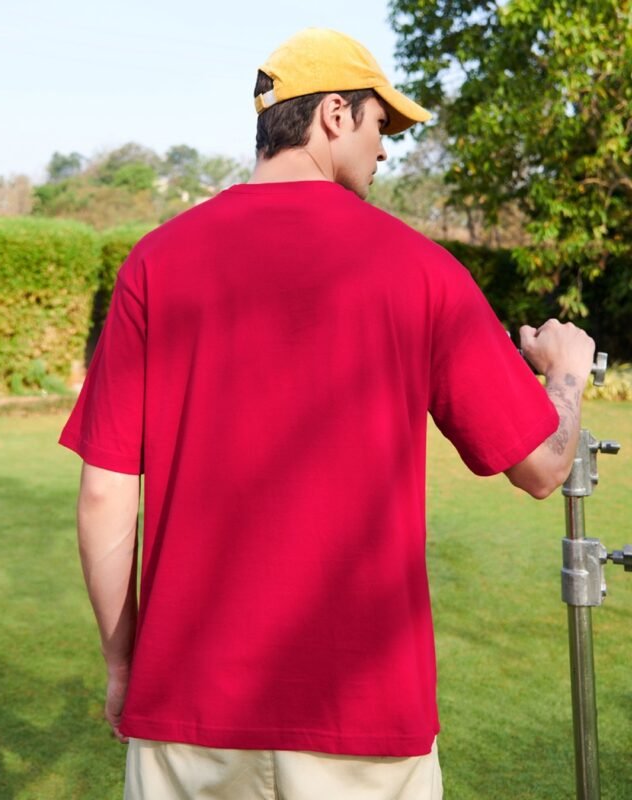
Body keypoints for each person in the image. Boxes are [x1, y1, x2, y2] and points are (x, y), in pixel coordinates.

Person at [59, 27, 595, 800]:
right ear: (336, 115)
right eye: (382, 124)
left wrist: (121, 667)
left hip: (187, 714)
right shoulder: (421, 270)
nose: (386, 150)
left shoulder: (154, 262)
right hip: (363, 719)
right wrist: (567, 373)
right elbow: (543, 466)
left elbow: (106, 494)